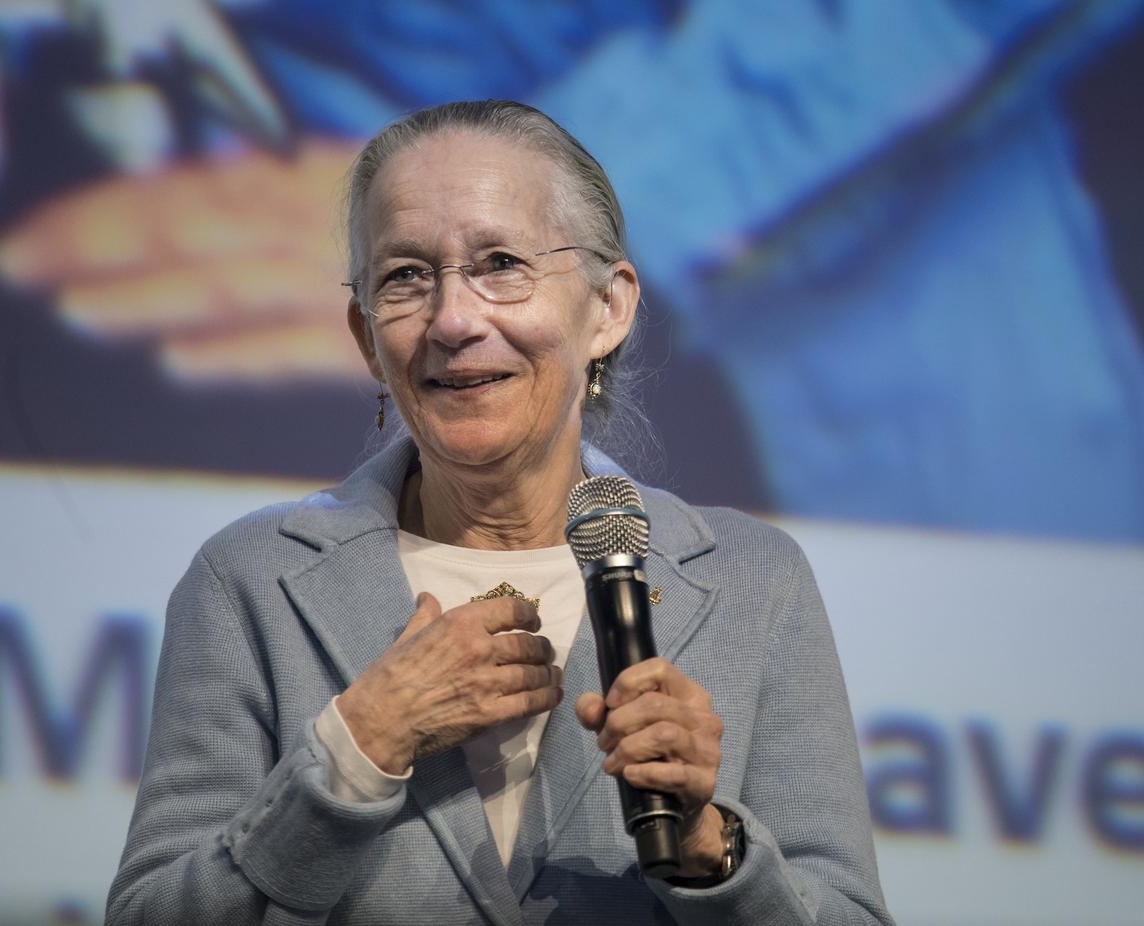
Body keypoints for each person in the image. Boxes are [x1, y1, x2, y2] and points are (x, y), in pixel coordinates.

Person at [106, 100, 891, 925]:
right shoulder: (253, 580)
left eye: (502, 263)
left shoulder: (751, 580)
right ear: (367, 336)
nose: (453, 319)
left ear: (607, 308)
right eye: (406, 276)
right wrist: (356, 752)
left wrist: (709, 847)